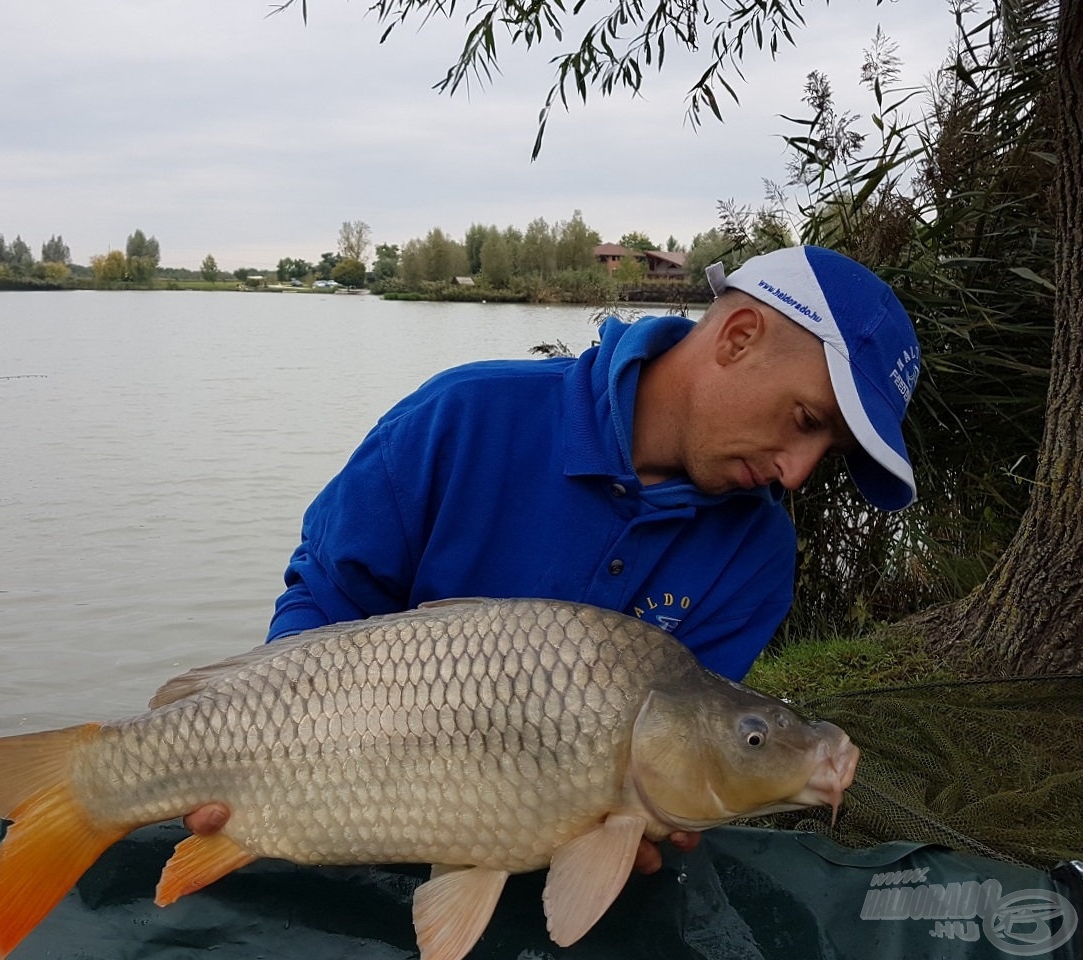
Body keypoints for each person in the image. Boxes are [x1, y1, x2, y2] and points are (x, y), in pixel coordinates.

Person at [185, 244, 921, 872]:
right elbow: (321, 609)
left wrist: (638, 827)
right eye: (805, 421)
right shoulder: (462, 418)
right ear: (738, 337)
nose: (796, 471)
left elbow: (693, 753)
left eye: (827, 453)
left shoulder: (756, 555)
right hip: (348, 795)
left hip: (533, 854)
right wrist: (267, 768)